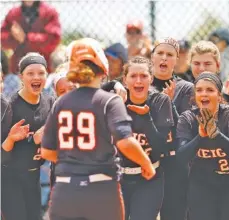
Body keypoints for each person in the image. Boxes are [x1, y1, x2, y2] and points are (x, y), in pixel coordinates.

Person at [41, 38, 155, 220]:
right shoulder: (109, 100)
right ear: (102, 66)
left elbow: (46, 151)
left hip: (64, 190)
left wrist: (75, 160)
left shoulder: (61, 102)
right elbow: (125, 141)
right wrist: (146, 163)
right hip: (101, 189)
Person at [177, 72, 229, 220]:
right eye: (199, 90)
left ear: (219, 95)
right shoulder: (188, 118)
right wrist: (201, 136)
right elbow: (181, 157)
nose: (204, 94)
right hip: (203, 181)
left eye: (210, 90)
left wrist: (216, 134)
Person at [1, 52, 55, 220]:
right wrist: (11, 139)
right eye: (30, 73)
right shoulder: (9, 106)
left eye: (40, 73)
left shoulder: (50, 102)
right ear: (21, 77)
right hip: (10, 179)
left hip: (34, 176)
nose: (36, 77)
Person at [120, 56, 174, 220]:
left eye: (144, 76)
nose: (138, 81)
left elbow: (161, 147)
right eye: (133, 76)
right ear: (124, 80)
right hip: (118, 178)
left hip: (149, 178)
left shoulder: (160, 101)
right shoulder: (116, 102)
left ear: (151, 79)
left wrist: (146, 118)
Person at [151, 37, 193, 220]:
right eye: (160, 53)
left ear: (176, 60)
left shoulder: (185, 89)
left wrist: (167, 103)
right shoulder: (140, 84)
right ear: (152, 57)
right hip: (147, 160)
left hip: (174, 162)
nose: (164, 58)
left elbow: (186, 127)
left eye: (170, 54)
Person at [1, 0, 61, 73]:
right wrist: (16, 39)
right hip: (18, 69)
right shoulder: (13, 13)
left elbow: (53, 39)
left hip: (44, 68)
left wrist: (26, 38)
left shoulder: (49, 12)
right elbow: (3, 39)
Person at [189, 40, 229, 114]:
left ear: (218, 66)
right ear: (190, 65)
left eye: (207, 64)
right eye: (196, 63)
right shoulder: (184, 93)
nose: (201, 68)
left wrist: (227, 99)